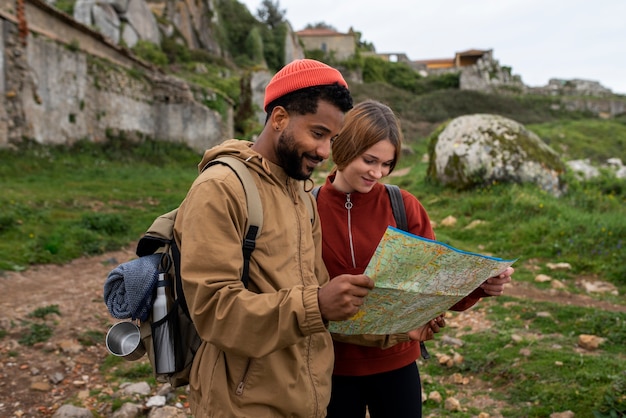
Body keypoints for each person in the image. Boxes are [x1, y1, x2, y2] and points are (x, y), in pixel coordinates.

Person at [172, 59, 376, 418]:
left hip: (305, 399)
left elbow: (322, 299)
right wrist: (317, 305)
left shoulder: (301, 195)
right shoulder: (220, 188)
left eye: (333, 139)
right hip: (242, 405)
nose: (325, 152)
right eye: (317, 134)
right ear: (279, 119)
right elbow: (214, 311)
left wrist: (401, 330)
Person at [314, 99, 515, 418]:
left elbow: (433, 288)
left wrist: (479, 286)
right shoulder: (307, 209)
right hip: (329, 369)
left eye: (387, 164)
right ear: (345, 147)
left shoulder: (403, 205)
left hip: (397, 365)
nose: (376, 173)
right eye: (369, 160)